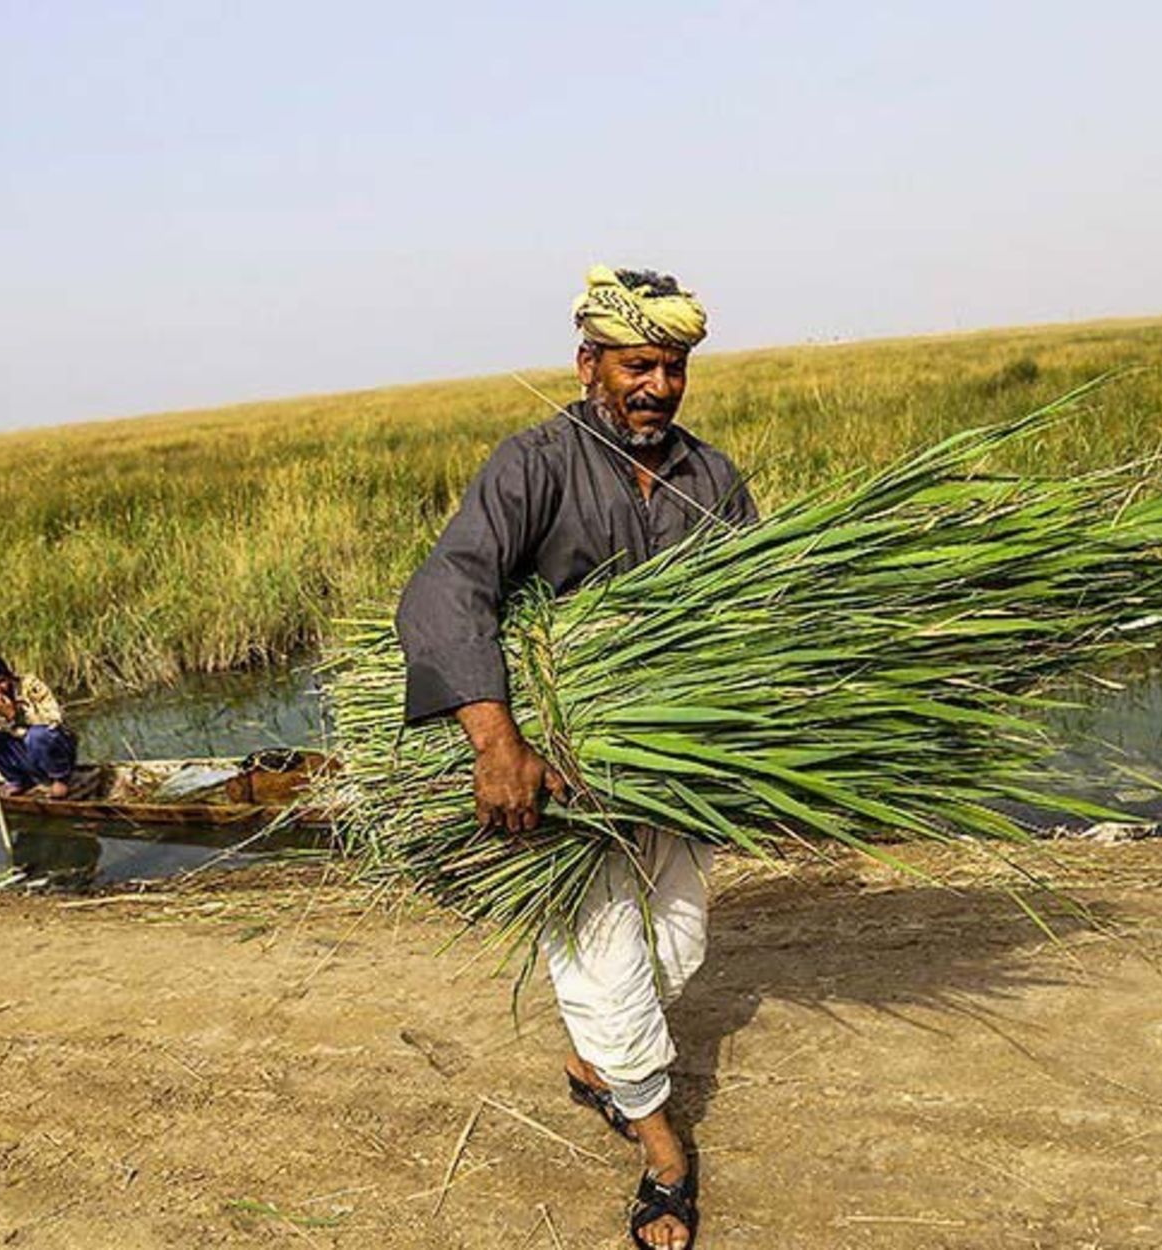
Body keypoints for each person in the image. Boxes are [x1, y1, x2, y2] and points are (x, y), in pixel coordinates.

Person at [395, 266, 754, 1250]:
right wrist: (497, 737)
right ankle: (663, 1155)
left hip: (671, 773)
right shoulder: (534, 463)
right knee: (606, 974)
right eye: (641, 363)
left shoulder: (712, 478)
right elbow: (444, 589)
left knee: (676, 950)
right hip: (559, 775)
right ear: (588, 361)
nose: (660, 385)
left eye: (675, 366)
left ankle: (598, 1065)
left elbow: (758, 607)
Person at [0, 656, 77, 797]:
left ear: (10, 677)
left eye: (1, 682)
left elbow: (54, 721)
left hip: (58, 750)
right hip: (26, 755)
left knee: (37, 736)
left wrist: (14, 716)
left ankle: (60, 778)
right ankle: (18, 780)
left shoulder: (30, 685)